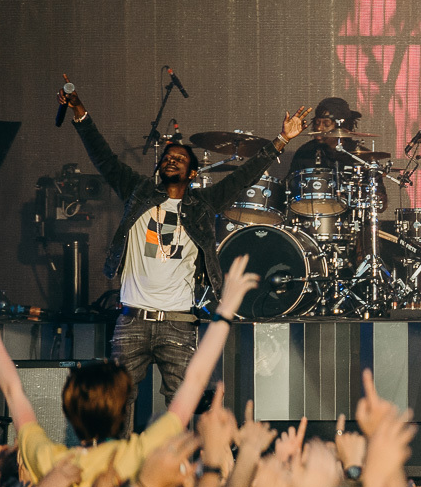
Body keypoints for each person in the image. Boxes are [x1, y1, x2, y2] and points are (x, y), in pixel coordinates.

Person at [58, 78, 310, 426]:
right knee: (116, 406)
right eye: (167, 158)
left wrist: (281, 140)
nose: (171, 160)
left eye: (180, 158)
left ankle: (182, 475)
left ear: (192, 173)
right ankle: (118, 470)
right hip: (132, 320)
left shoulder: (203, 204)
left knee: (185, 409)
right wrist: (80, 114)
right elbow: (103, 157)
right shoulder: (138, 190)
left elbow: (243, 177)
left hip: (177, 324)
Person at [0, 254, 261, 487]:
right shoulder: (136, 455)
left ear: (68, 409)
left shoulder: (52, 463)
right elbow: (194, 380)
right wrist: (225, 313)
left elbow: (13, 390)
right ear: (124, 408)